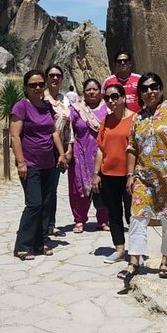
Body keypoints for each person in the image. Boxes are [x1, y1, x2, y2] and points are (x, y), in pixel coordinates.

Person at [121, 72, 167, 281]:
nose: (149, 91)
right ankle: (133, 261)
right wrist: (129, 175)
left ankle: (165, 262)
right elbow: (132, 148)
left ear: (161, 89)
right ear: (140, 94)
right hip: (143, 178)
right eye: (144, 88)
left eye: (154, 86)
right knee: (137, 217)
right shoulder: (138, 118)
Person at [10, 70, 67, 260]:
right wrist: (20, 162)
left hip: (48, 163)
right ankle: (22, 246)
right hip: (30, 163)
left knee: (45, 204)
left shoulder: (46, 106)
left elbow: (53, 132)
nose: (37, 88)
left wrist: (61, 154)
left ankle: (40, 242)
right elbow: (15, 136)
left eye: (40, 84)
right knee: (34, 204)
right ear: (26, 87)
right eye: (32, 85)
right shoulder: (21, 107)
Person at [92, 84, 136, 264]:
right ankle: (119, 249)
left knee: (132, 215)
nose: (111, 101)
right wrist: (96, 173)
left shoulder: (135, 119)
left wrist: (133, 174)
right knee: (114, 213)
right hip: (108, 175)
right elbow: (101, 149)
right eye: (107, 98)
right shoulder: (106, 120)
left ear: (124, 98)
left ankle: (135, 253)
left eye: (115, 96)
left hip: (129, 175)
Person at [65, 78, 110, 233]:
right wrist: (69, 151)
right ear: (83, 92)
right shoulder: (76, 109)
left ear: (100, 92)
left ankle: (104, 220)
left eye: (95, 89)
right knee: (78, 189)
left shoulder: (108, 108)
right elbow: (69, 130)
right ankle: (79, 220)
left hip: (102, 154)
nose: (91, 92)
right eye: (88, 89)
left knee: (104, 187)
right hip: (80, 154)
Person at [42, 64, 70, 237]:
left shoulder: (64, 99)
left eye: (58, 75)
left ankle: (50, 224)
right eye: (51, 75)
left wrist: (68, 148)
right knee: (43, 189)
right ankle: (41, 225)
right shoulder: (41, 97)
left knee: (52, 189)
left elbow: (70, 125)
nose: (55, 78)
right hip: (43, 147)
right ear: (46, 77)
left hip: (58, 149)